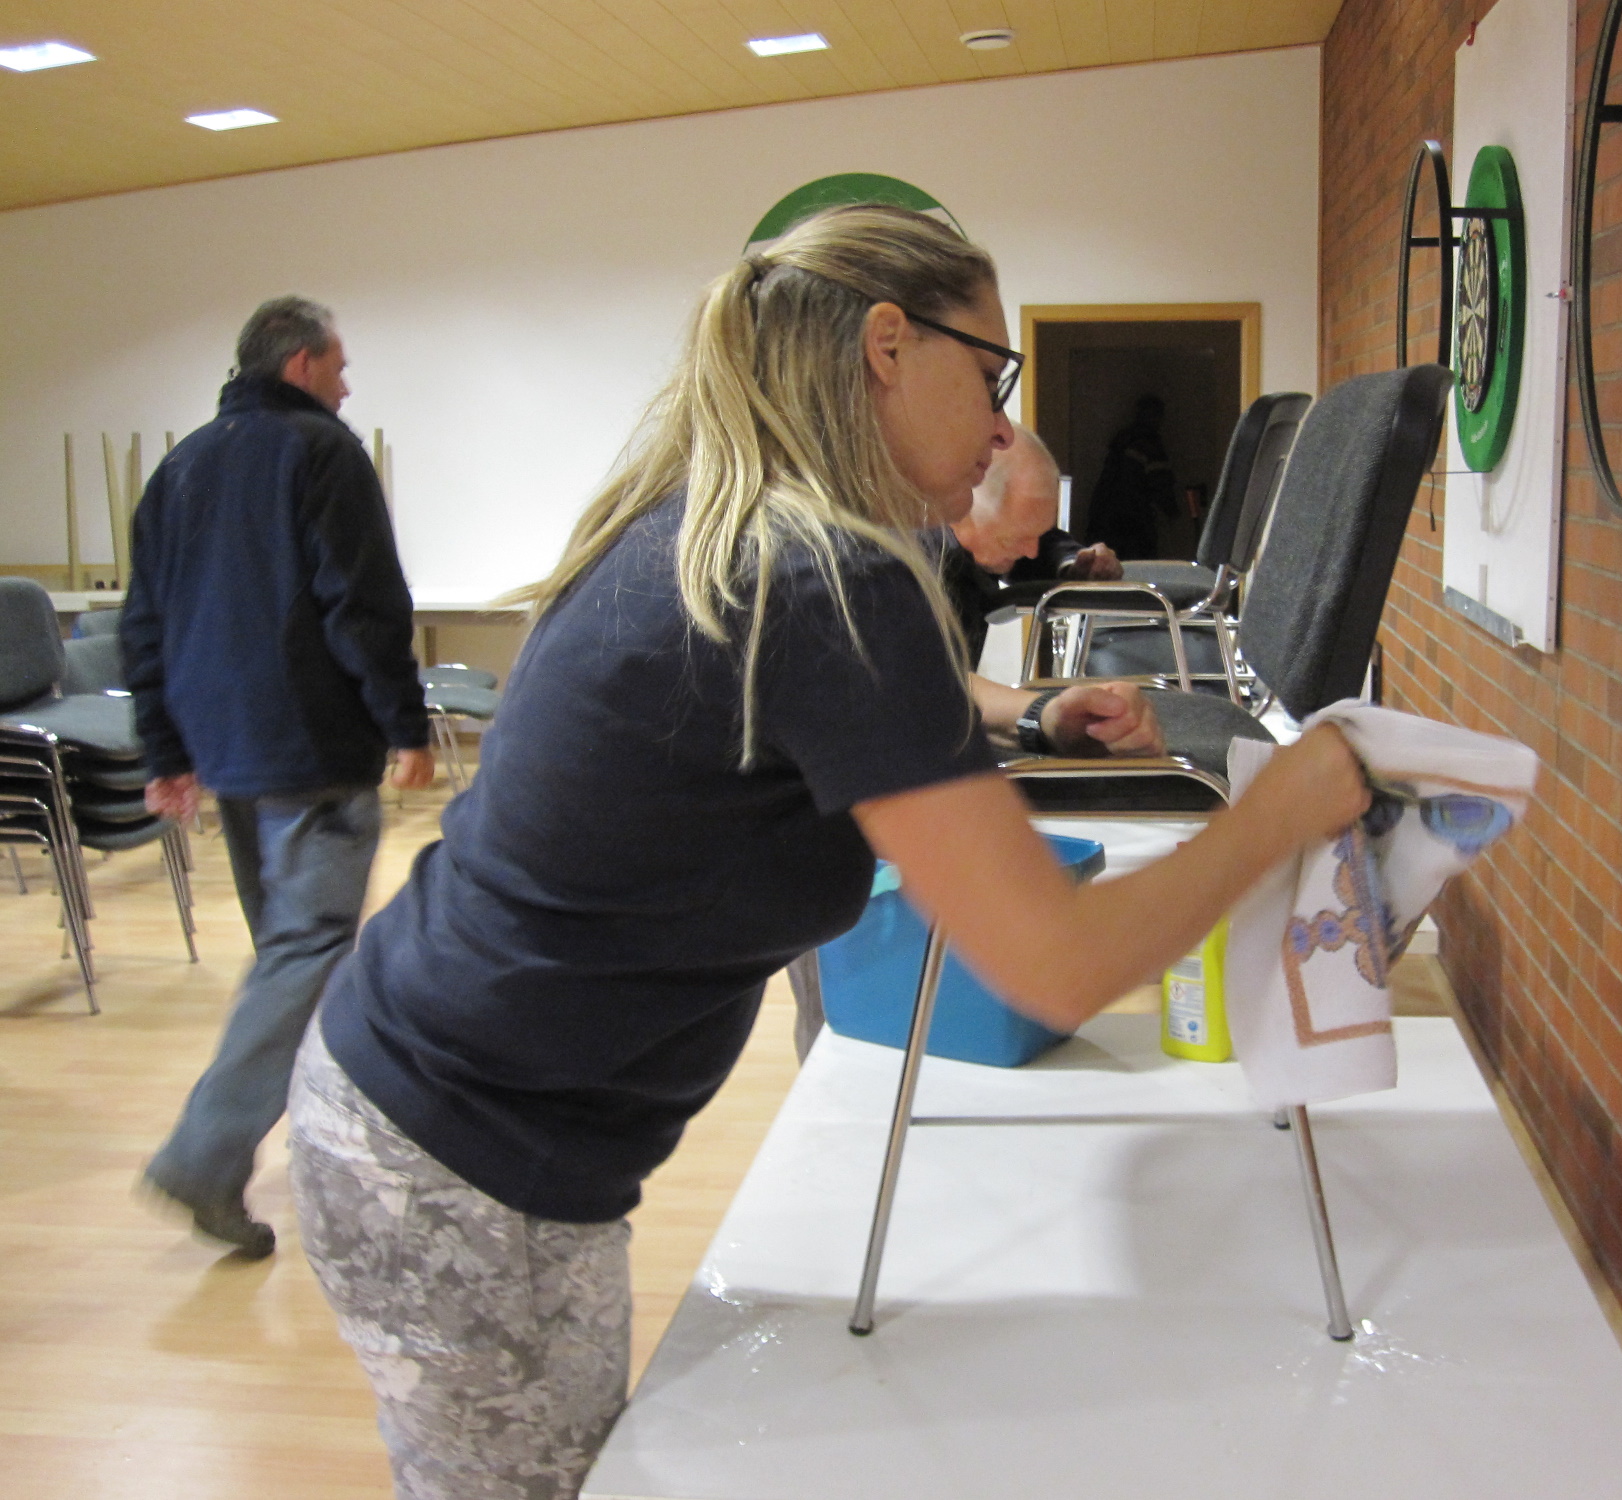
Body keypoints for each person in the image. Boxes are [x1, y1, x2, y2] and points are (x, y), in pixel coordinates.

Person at [285, 205, 1367, 1500]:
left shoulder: (745, 533)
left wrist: (1023, 715)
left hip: (434, 1112)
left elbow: (845, 701)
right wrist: (1281, 808)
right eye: (993, 374)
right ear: (887, 345)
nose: (1000, 426)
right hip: (455, 1159)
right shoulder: (827, 581)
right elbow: (1058, 964)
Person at [123, 296, 435, 1258]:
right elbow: (362, 604)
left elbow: (145, 623)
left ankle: (333, 1132)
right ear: (300, 363)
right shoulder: (323, 451)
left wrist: (167, 751)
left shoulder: (179, 467)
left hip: (229, 750)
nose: (346, 386)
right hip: (310, 744)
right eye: (338, 366)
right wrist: (405, 723)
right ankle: (205, 1156)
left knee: (290, 957)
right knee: (305, 952)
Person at [940, 428, 1122, 660]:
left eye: (1036, 534)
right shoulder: (908, 573)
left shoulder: (984, 539)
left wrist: (1076, 564)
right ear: (961, 508)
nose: (1032, 551)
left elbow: (1045, 548)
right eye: (1016, 538)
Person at [1084, 392, 1177, 559]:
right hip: (1134, 521)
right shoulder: (1149, 445)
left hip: (1104, 517)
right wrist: (1172, 511)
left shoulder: (1121, 442)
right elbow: (1160, 482)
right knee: (1139, 568)